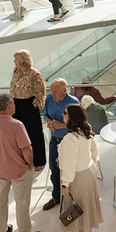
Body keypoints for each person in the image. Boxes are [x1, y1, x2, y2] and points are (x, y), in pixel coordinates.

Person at [0, 93, 42, 232]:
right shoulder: (16, 125)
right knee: (22, 202)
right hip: (18, 170)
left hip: (0, 169)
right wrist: (29, 164)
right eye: (13, 103)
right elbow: (26, 149)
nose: (14, 105)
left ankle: (1, 231)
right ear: (8, 105)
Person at [59, 104, 103, 232]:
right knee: (87, 204)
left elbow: (69, 164)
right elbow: (94, 152)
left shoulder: (70, 138)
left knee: (76, 206)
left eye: (65, 113)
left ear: (71, 117)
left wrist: (65, 184)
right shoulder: (86, 131)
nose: (63, 115)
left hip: (77, 176)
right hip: (88, 172)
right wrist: (92, 167)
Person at [42, 78, 79, 210]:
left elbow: (78, 124)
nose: (52, 93)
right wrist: (50, 122)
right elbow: (45, 115)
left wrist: (61, 125)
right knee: (54, 168)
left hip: (69, 142)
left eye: (55, 91)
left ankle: (73, 198)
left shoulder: (74, 103)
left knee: (70, 170)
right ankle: (56, 197)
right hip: (54, 141)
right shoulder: (49, 99)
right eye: (51, 90)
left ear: (64, 91)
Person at [10, 49, 46, 170]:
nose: (14, 61)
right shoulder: (16, 71)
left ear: (21, 60)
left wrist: (37, 104)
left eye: (16, 59)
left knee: (34, 133)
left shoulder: (34, 73)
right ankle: (22, 160)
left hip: (29, 104)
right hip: (16, 104)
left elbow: (41, 89)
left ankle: (39, 161)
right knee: (18, 133)